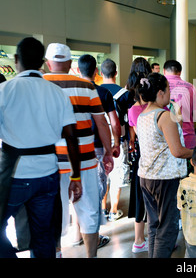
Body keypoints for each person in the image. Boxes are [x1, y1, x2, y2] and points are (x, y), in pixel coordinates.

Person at [0, 37, 81, 258]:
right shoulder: (57, 94)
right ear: (41, 62)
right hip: (47, 175)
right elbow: (72, 139)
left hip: (14, 174)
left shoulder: (4, 90)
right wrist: (75, 177)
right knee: (44, 235)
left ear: (16, 60)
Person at [44, 43, 114, 258]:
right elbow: (101, 122)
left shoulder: (41, 85)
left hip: (50, 162)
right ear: (70, 63)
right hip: (84, 160)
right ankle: (91, 255)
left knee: (53, 213)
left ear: (48, 63)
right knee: (89, 211)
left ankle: (57, 254)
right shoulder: (86, 86)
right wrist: (109, 152)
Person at [136, 72, 193, 258]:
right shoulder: (164, 116)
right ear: (160, 92)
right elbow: (177, 151)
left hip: (146, 177)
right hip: (165, 179)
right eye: (168, 90)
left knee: (154, 226)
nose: (170, 93)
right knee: (167, 230)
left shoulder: (143, 115)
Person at [78, 55, 122, 223]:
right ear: (96, 72)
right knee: (96, 189)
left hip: (75, 148)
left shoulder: (72, 91)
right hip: (97, 148)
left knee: (77, 191)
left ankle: (78, 232)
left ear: (77, 70)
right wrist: (115, 145)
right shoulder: (103, 93)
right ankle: (92, 232)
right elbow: (114, 122)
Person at [101, 58, 134, 220]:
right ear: (116, 73)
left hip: (98, 141)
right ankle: (114, 210)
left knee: (102, 174)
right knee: (117, 174)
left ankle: (102, 208)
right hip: (119, 141)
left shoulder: (95, 91)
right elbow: (130, 121)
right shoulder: (124, 94)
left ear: (100, 73)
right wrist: (132, 140)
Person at [125, 57, 152, 253]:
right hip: (152, 153)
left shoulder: (129, 103)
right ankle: (154, 238)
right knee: (153, 196)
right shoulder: (154, 106)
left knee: (138, 194)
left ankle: (138, 239)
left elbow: (130, 134)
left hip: (137, 154)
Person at [164, 60, 196, 150]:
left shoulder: (158, 87)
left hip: (164, 138)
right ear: (180, 72)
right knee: (187, 162)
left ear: (164, 71)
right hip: (187, 136)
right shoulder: (190, 87)